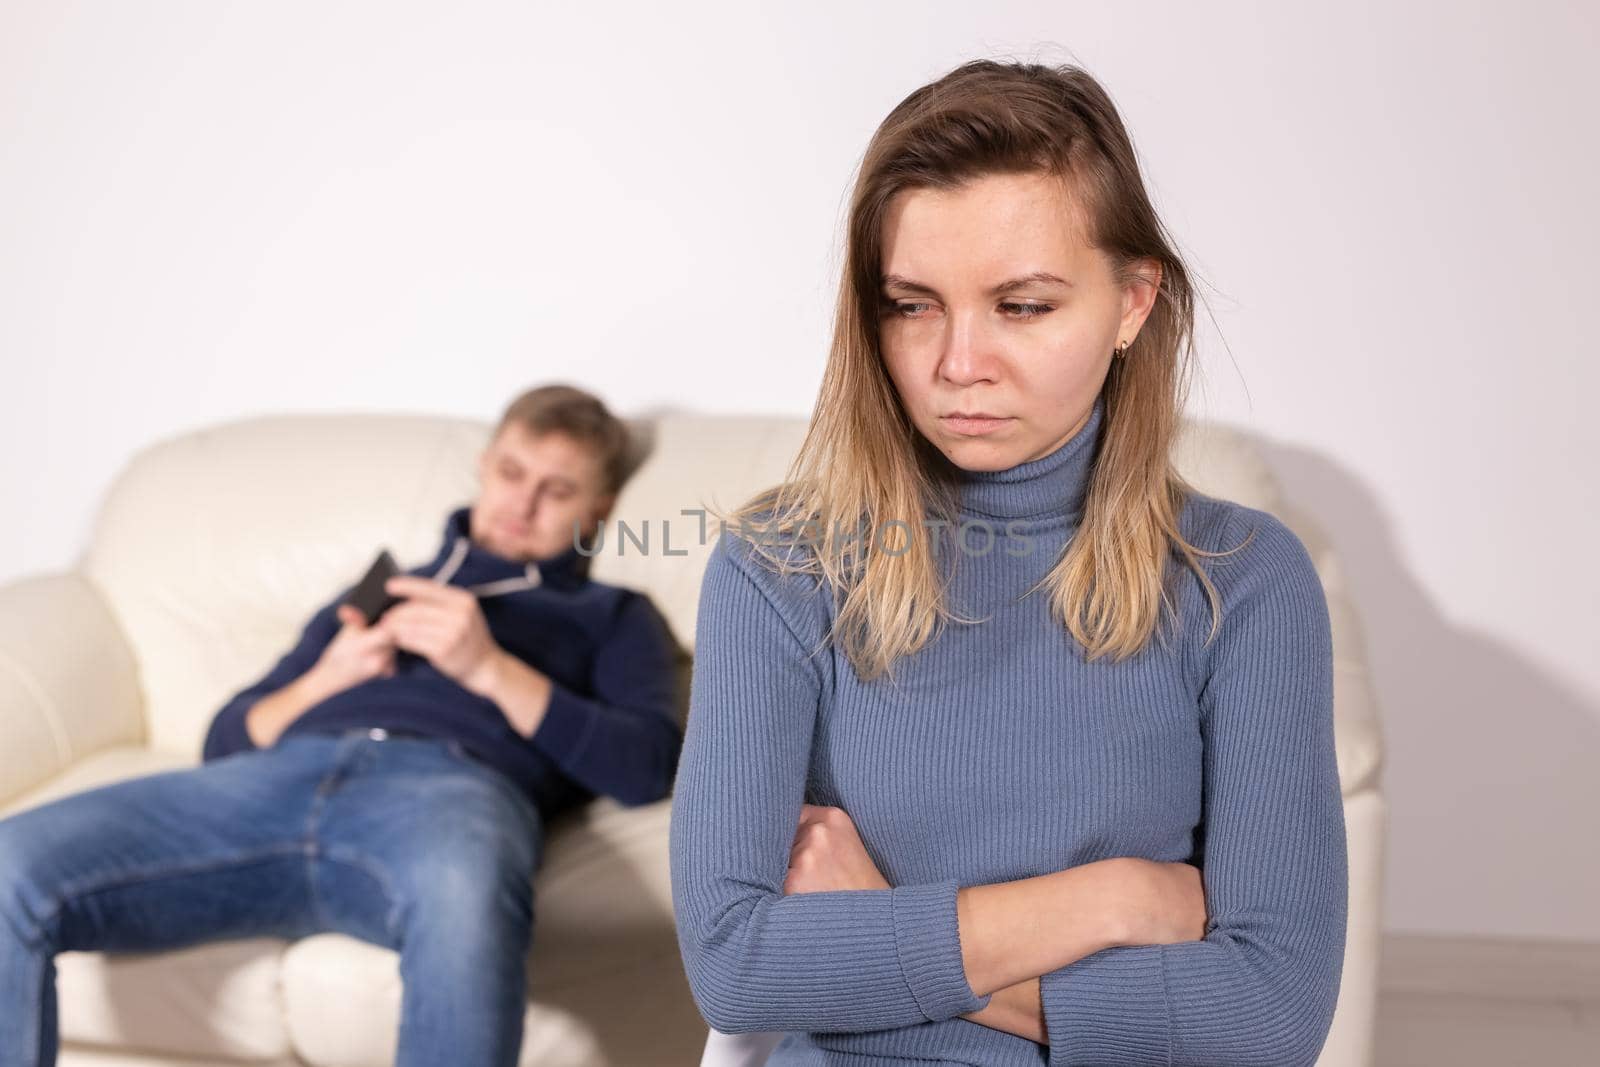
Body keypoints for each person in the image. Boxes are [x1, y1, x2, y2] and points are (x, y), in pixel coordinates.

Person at [671, 59, 1347, 1067]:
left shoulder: (1241, 581)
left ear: (1130, 303)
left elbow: (1266, 1015)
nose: (956, 363)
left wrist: (881, 929)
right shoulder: (781, 569)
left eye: (1021, 306)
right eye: (911, 303)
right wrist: (1104, 900)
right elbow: (735, 963)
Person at [0, 383, 685, 1067]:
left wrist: (487, 668)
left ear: (598, 509)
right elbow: (226, 740)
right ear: (483, 466)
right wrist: (327, 676)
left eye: (557, 489)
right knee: (11, 864)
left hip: (447, 793)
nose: (523, 503)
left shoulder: (613, 615)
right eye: (511, 473)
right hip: (273, 780)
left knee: (465, 906)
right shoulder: (382, 587)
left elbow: (646, 765)